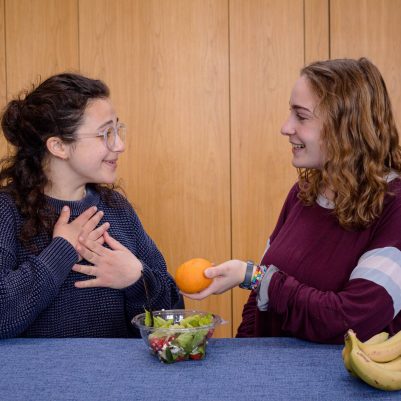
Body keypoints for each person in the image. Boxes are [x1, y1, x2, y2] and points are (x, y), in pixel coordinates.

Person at [184, 57, 401, 344]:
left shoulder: (394, 208)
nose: (285, 128)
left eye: (301, 116)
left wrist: (258, 278)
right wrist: (244, 357)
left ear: (346, 127)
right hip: (274, 380)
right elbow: (259, 302)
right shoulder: (304, 193)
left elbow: (350, 321)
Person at [0, 73, 179, 338]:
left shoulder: (117, 208)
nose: (120, 145)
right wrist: (61, 252)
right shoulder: (7, 211)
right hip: (36, 380)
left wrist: (136, 279)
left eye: (118, 130)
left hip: (116, 379)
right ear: (59, 146)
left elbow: (173, 312)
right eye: (106, 133)